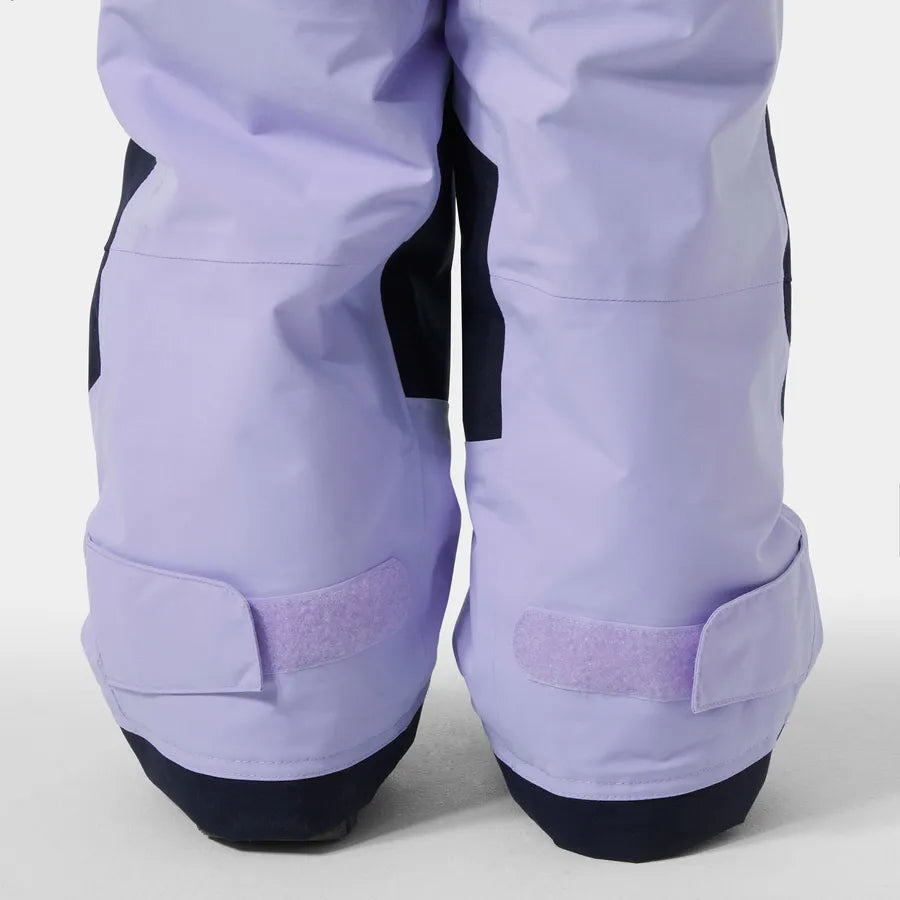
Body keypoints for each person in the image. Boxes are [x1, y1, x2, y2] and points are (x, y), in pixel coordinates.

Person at [81, 0, 822, 862]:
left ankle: (262, 685)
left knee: (260, 121)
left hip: (214, 651)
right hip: (688, 672)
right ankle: (636, 694)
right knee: (627, 131)